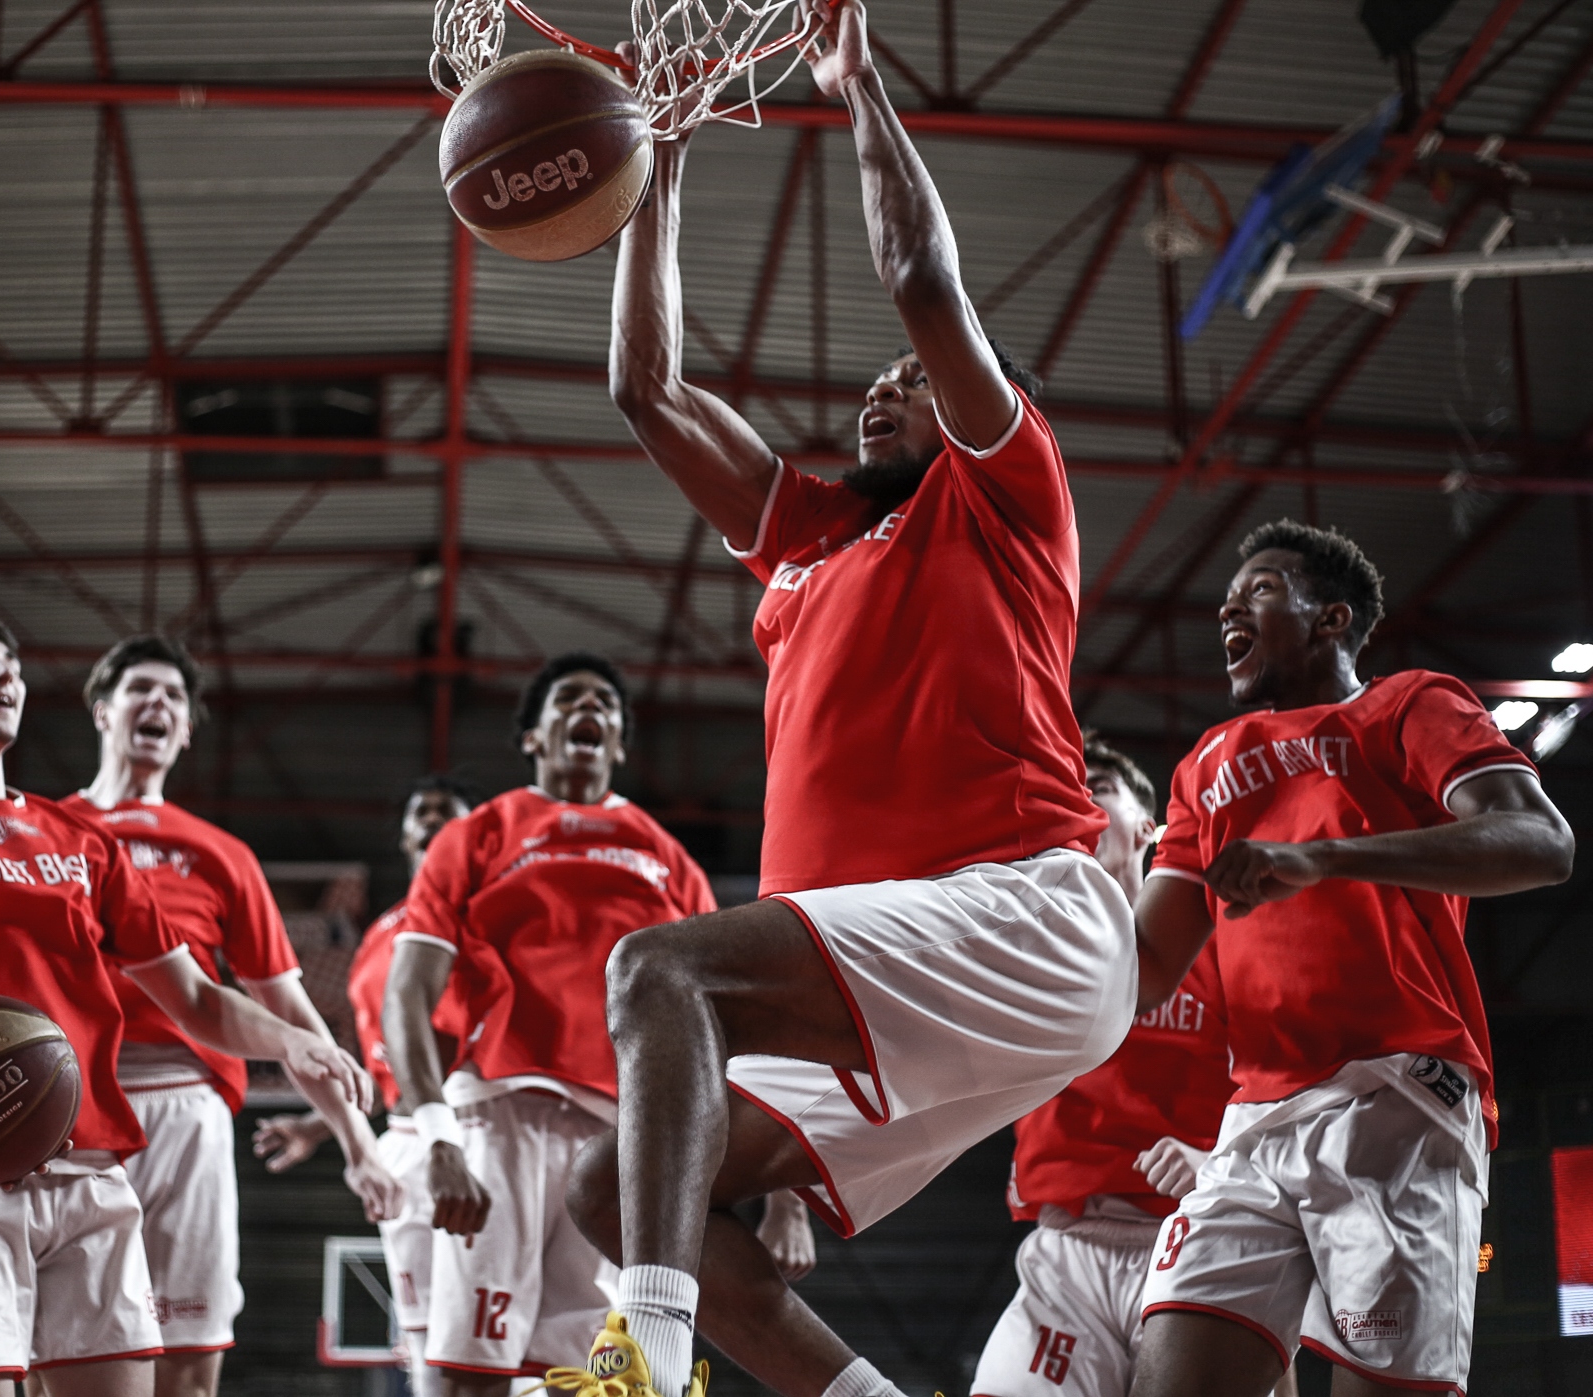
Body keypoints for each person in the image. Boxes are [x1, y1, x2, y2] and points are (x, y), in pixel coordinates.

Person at [566, 4, 1136, 1396]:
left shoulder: (1005, 494)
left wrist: (855, 85)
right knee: (613, 1188)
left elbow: (920, 281)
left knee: (659, 968)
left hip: (1024, 910)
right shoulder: (811, 535)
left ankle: (636, 1353)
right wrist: (663, 159)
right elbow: (646, 389)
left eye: (913, 391)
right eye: (878, 387)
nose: (886, 392)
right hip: (904, 954)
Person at [1126, 520, 1573, 1397]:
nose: (1228, 602)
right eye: (1230, 591)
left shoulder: (1407, 704)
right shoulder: (1204, 763)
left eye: (1258, 587)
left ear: (1331, 618)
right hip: (1254, 1119)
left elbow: (1541, 840)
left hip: (1397, 1100)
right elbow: (1142, 968)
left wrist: (1326, 858)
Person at [0, 616, 376, 1397]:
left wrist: (294, 1040)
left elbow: (195, 997)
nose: (5, 676)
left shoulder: (79, 839)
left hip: (91, 1164)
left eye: (13, 665)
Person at [62, 635, 400, 1397]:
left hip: (186, 1106)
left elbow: (290, 1013)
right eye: (141, 688)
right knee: (58, 1359)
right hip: (71, 1109)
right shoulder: (49, 834)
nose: (158, 703)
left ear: (185, 732)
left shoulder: (220, 854)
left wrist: (358, 1144)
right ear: (102, 708)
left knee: (187, 1365)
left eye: (175, 698)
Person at [382, 654, 720, 1394]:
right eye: (567, 698)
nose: (587, 708)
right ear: (534, 735)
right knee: (472, 1373)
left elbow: (727, 1030)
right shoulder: (477, 834)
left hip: (621, 1140)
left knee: (585, 1380)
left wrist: (778, 1196)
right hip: (501, 1115)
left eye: (604, 701)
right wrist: (437, 1137)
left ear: (621, 743)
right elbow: (406, 992)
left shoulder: (671, 861)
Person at [971, 736, 1251, 1397]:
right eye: (1069, 792)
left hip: (1199, 1232)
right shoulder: (1025, 951)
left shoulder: (1222, 945)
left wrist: (1218, 1161)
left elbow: (1290, 1090)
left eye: (1099, 785)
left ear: (1149, 827)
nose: (1082, 800)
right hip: (1067, 1248)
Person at [255, 775, 478, 1397]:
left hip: (483, 1133)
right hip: (404, 1145)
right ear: (406, 834)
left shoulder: (490, 917)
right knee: (426, 1341)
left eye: (448, 813)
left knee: (502, 1335)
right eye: (422, 813)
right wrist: (316, 1123)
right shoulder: (379, 936)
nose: (433, 821)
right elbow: (381, 1074)